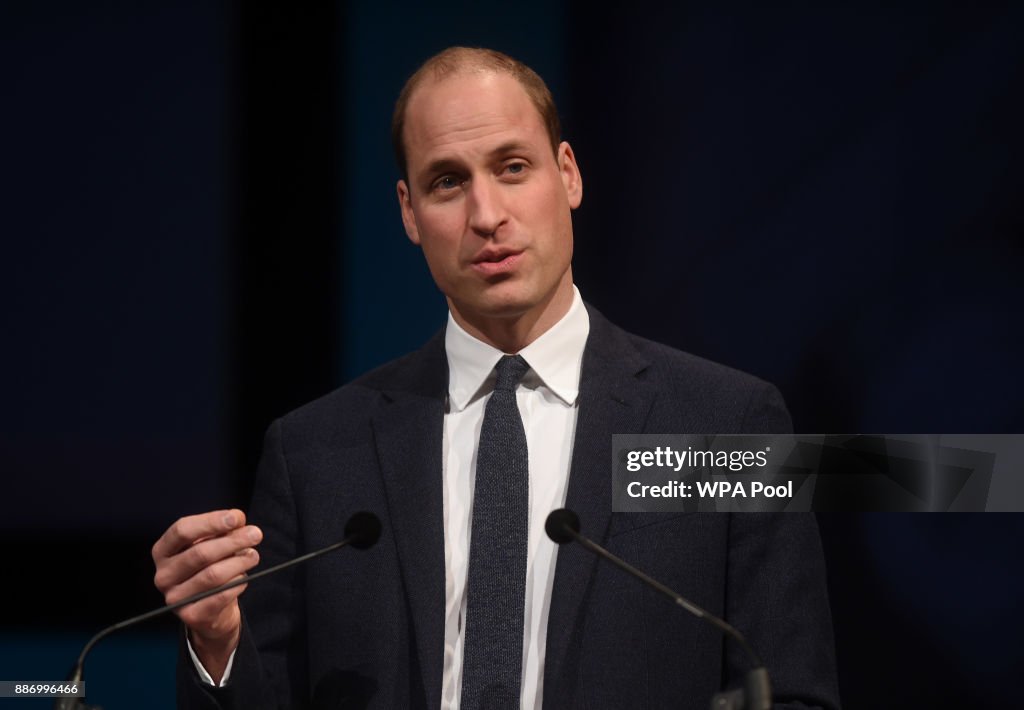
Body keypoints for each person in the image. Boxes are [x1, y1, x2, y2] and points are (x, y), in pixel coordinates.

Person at [153, 47, 840, 709]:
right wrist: (217, 646)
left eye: (512, 167)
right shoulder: (315, 455)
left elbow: (789, 694)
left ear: (568, 174)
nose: (487, 217)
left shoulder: (724, 422)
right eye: (447, 182)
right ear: (408, 212)